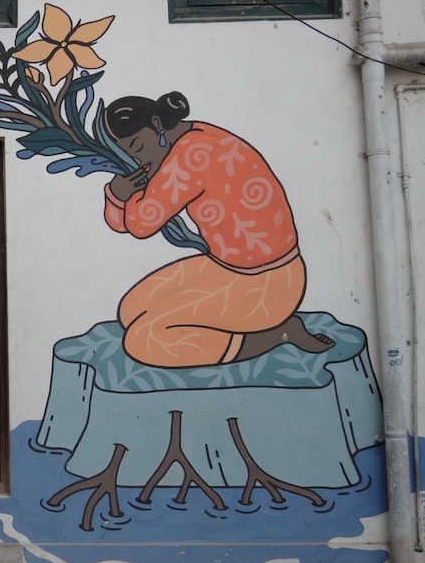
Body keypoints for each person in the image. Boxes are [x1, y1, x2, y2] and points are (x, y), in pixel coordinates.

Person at [102, 91, 333, 368]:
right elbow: (128, 223)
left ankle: (280, 334)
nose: (139, 160)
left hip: (268, 285)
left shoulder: (190, 155)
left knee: (144, 340)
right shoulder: (196, 134)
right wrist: (122, 197)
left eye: (138, 147)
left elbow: (140, 225)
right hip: (228, 269)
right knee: (130, 311)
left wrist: (117, 194)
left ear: (156, 124)